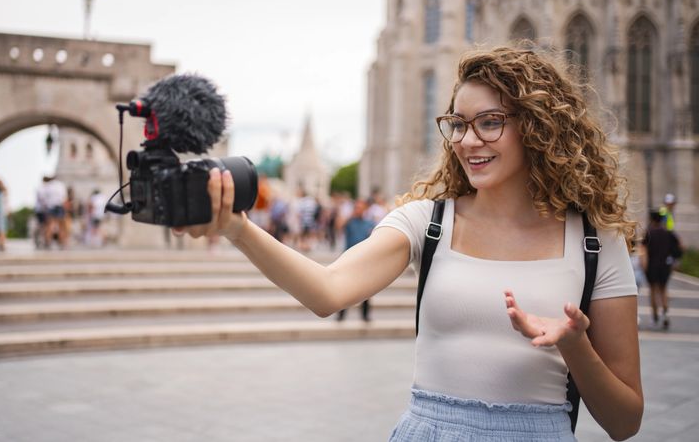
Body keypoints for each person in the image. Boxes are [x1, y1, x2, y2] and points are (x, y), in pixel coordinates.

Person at [175, 47, 643, 440]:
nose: (467, 140)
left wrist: (577, 345)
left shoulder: (594, 241)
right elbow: (328, 291)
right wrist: (236, 228)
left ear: (537, 127)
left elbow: (625, 422)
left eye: (490, 122)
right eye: (458, 123)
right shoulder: (427, 220)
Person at [336, 198, 377, 322]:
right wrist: (350, 215)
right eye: (357, 207)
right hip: (348, 259)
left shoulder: (369, 223)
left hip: (364, 260)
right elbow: (338, 226)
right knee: (344, 289)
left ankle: (365, 315)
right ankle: (341, 315)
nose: (358, 210)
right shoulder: (349, 221)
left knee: (365, 290)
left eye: (361, 207)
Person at [641, 210, 682, 330]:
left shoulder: (649, 233)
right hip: (665, 266)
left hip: (652, 266)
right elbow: (680, 245)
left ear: (652, 220)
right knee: (663, 290)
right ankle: (665, 315)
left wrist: (644, 266)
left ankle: (654, 317)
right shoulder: (668, 233)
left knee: (653, 290)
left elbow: (643, 251)